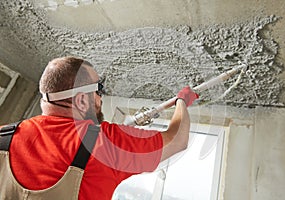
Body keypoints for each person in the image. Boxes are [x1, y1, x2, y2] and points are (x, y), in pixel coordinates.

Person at [0, 56, 198, 200]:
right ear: (81, 100)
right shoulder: (105, 143)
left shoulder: (3, 136)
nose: (101, 98)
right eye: (98, 89)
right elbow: (177, 139)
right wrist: (182, 101)